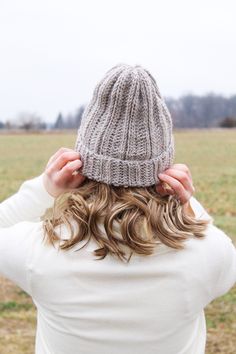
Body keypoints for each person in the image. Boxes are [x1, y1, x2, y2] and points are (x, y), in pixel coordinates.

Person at [0, 64, 235, 354]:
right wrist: (186, 202)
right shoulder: (207, 255)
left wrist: (45, 188)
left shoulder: (41, 251)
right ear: (165, 169)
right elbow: (220, 251)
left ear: (81, 161)